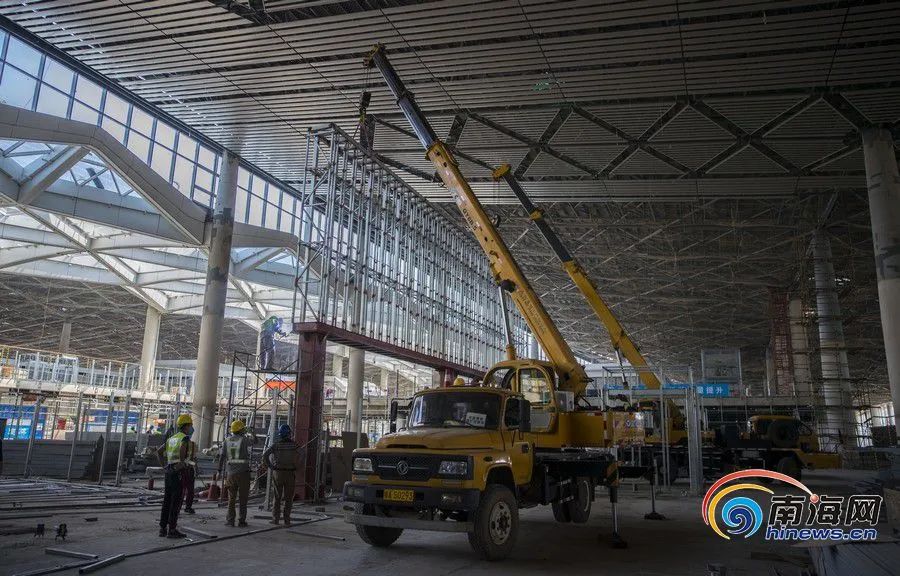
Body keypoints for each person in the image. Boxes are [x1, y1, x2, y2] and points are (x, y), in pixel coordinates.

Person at [155, 414, 192, 538]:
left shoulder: (171, 438)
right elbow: (182, 450)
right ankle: (172, 530)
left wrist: (164, 466)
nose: (191, 428)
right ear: (187, 426)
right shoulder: (184, 438)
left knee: (167, 500)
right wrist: (182, 462)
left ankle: (162, 528)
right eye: (190, 425)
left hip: (169, 471)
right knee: (176, 501)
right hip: (178, 472)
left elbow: (159, 452)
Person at [219, 419, 256, 527]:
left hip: (230, 473)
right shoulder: (244, 439)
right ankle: (241, 521)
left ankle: (230, 521)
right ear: (241, 430)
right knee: (243, 499)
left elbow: (222, 456)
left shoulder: (226, 440)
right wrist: (252, 432)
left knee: (231, 499)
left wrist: (219, 470)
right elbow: (256, 441)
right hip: (243, 473)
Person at [261, 424, 299, 526]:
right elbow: (303, 453)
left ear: (280, 434)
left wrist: (270, 466)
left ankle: (275, 519)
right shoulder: (294, 445)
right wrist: (297, 465)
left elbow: (265, 455)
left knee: (277, 497)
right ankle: (287, 520)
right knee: (288, 498)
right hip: (290, 472)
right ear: (289, 434)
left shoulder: (276, 444)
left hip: (278, 473)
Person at [182, 437, 198, 514]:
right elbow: (193, 459)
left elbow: (193, 458)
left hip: (180, 469)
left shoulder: (173, 441)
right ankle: (187, 507)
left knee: (182, 490)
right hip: (187, 469)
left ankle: (177, 507)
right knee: (189, 490)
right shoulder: (192, 444)